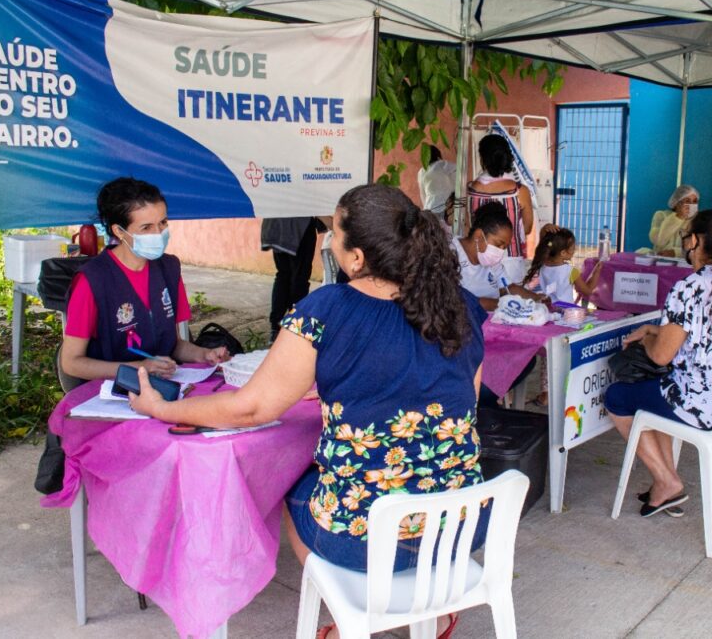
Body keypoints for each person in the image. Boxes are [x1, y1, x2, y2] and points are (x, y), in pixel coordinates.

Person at [130, 184, 487, 639]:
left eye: (335, 233)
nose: (329, 242)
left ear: (356, 258)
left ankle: (347, 617)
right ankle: (429, 615)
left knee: (295, 483)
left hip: (365, 539)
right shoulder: (462, 306)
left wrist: (162, 407)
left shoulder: (327, 309)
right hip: (460, 528)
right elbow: (464, 405)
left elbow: (251, 408)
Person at [605, 210, 712, 516]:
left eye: (685, 238)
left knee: (617, 397)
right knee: (657, 390)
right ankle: (666, 482)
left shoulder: (689, 288)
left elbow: (660, 356)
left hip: (703, 406)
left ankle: (667, 481)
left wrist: (648, 339)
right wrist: (657, 330)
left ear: (696, 241)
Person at [60, 177, 231, 381]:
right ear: (118, 231)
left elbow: (174, 345)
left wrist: (204, 354)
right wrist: (138, 368)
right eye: (146, 227)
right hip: (109, 393)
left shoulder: (169, 268)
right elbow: (71, 362)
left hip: (162, 386)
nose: (158, 233)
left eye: (163, 223)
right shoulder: (93, 280)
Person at [454, 202, 548, 311]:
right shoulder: (451, 253)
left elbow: (508, 287)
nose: (500, 251)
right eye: (498, 244)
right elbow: (459, 300)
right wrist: (504, 304)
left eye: (504, 247)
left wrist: (537, 298)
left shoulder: (492, 262)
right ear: (478, 236)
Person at [467, 134, 534, 260]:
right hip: (511, 257)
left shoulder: (470, 189)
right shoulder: (520, 191)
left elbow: (467, 224)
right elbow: (527, 228)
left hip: (478, 257)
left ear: (482, 159)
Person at [262, 217, 328, 341]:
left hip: (276, 224)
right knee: (299, 278)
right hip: (298, 226)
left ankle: (276, 328)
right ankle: (297, 327)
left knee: (283, 275)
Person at [523, 227, 604, 305]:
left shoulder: (542, 265)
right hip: (566, 313)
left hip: (547, 310)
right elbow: (588, 291)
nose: (574, 251)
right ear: (563, 253)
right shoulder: (571, 271)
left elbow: (544, 244)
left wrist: (544, 229)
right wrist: (597, 272)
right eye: (572, 248)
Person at [647, 185, 699, 257]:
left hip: (685, 264)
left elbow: (699, 247)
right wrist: (679, 217)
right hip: (661, 261)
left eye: (695, 201)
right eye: (687, 201)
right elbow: (659, 241)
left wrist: (675, 252)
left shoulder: (698, 220)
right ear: (676, 203)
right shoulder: (661, 215)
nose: (691, 205)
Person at [418, 145, 457, 217]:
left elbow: (423, 194)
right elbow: (458, 171)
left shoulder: (421, 171)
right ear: (438, 155)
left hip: (429, 209)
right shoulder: (443, 164)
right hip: (445, 209)